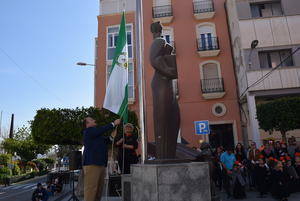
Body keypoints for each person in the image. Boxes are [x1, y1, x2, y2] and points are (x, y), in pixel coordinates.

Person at [82, 117, 121, 201]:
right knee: (91, 189)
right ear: (87, 124)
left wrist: (111, 136)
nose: (95, 120)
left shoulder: (96, 135)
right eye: (92, 120)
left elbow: (106, 141)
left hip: (100, 164)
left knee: (99, 190)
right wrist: (113, 124)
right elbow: (101, 130)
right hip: (92, 164)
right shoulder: (88, 131)